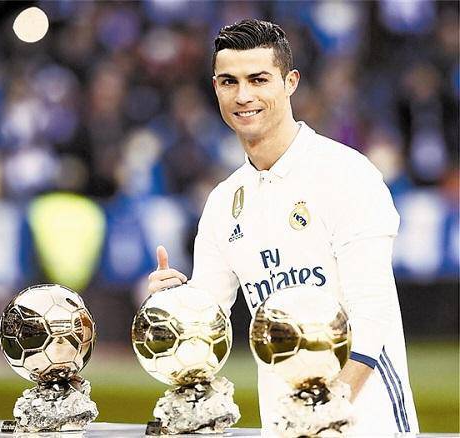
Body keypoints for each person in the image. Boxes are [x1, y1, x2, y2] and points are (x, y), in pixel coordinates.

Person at [147, 18, 418, 435]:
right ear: (215, 88)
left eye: (258, 79)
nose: (243, 96)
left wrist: (326, 409)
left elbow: (373, 314)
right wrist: (174, 307)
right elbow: (207, 321)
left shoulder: (346, 174)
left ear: (290, 82)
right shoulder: (223, 202)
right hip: (285, 425)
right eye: (229, 82)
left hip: (366, 423)